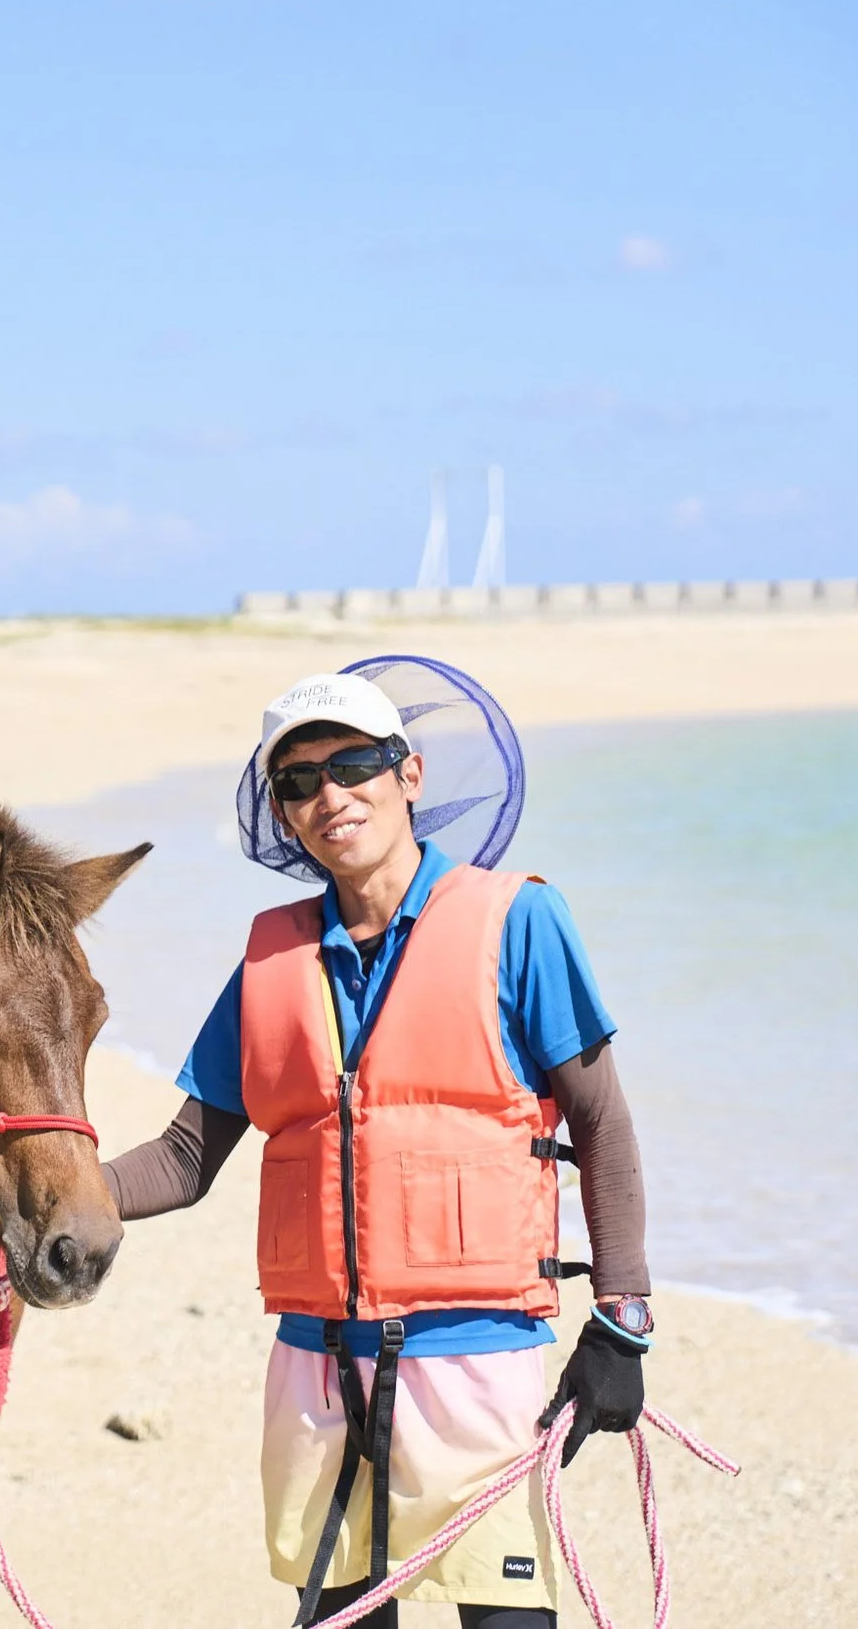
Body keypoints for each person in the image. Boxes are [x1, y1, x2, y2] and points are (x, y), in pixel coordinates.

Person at [102, 670, 653, 1628]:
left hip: (476, 1365)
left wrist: (622, 1321)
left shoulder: (518, 919)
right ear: (284, 812)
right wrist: (32, 1194)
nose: (330, 794)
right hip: (316, 1372)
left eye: (354, 764)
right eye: (298, 780)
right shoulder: (269, 961)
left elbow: (601, 1120)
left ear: (410, 775)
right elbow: (185, 1159)